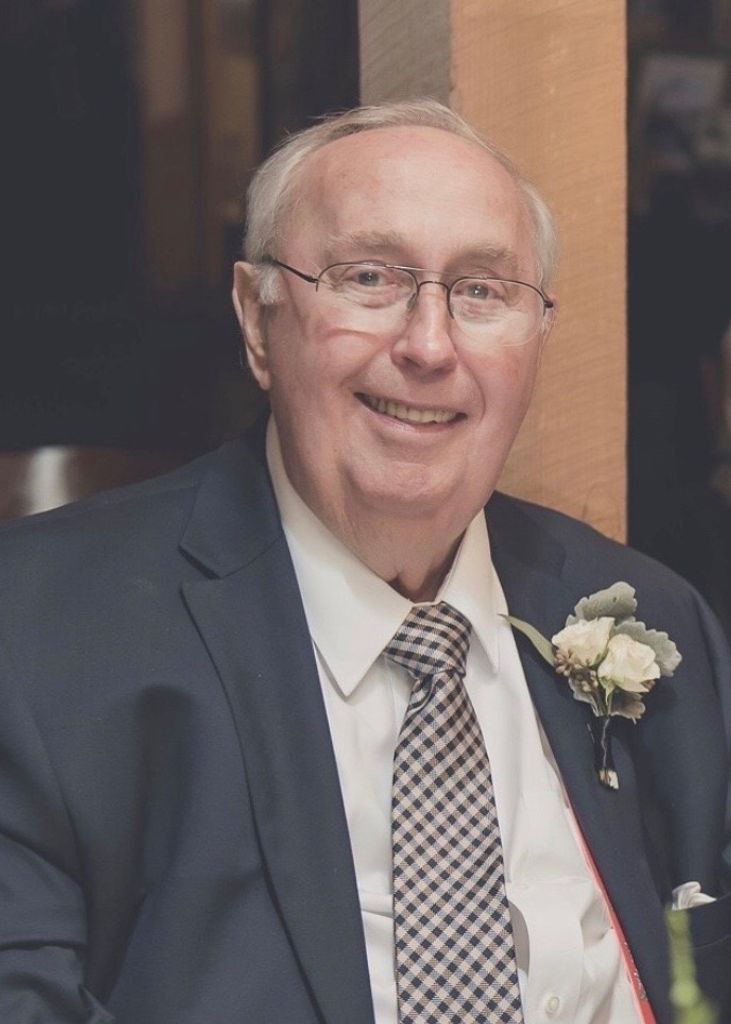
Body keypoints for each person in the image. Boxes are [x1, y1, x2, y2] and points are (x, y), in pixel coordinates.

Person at [0, 99, 729, 1024]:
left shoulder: (652, 620)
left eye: (482, 291)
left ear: (538, 336)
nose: (428, 345)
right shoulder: (38, 637)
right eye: (370, 278)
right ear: (257, 319)